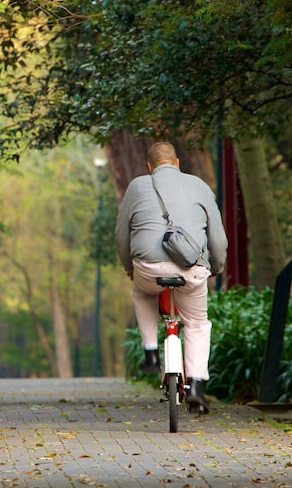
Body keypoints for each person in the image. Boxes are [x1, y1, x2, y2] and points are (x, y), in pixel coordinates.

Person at [114, 141, 228, 413]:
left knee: (141, 292)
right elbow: (218, 238)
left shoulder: (138, 186)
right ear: (177, 163)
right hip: (192, 268)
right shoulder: (199, 186)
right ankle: (197, 384)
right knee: (198, 323)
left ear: (149, 167)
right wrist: (217, 266)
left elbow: (121, 236)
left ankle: (151, 352)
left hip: (148, 267)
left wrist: (129, 266)